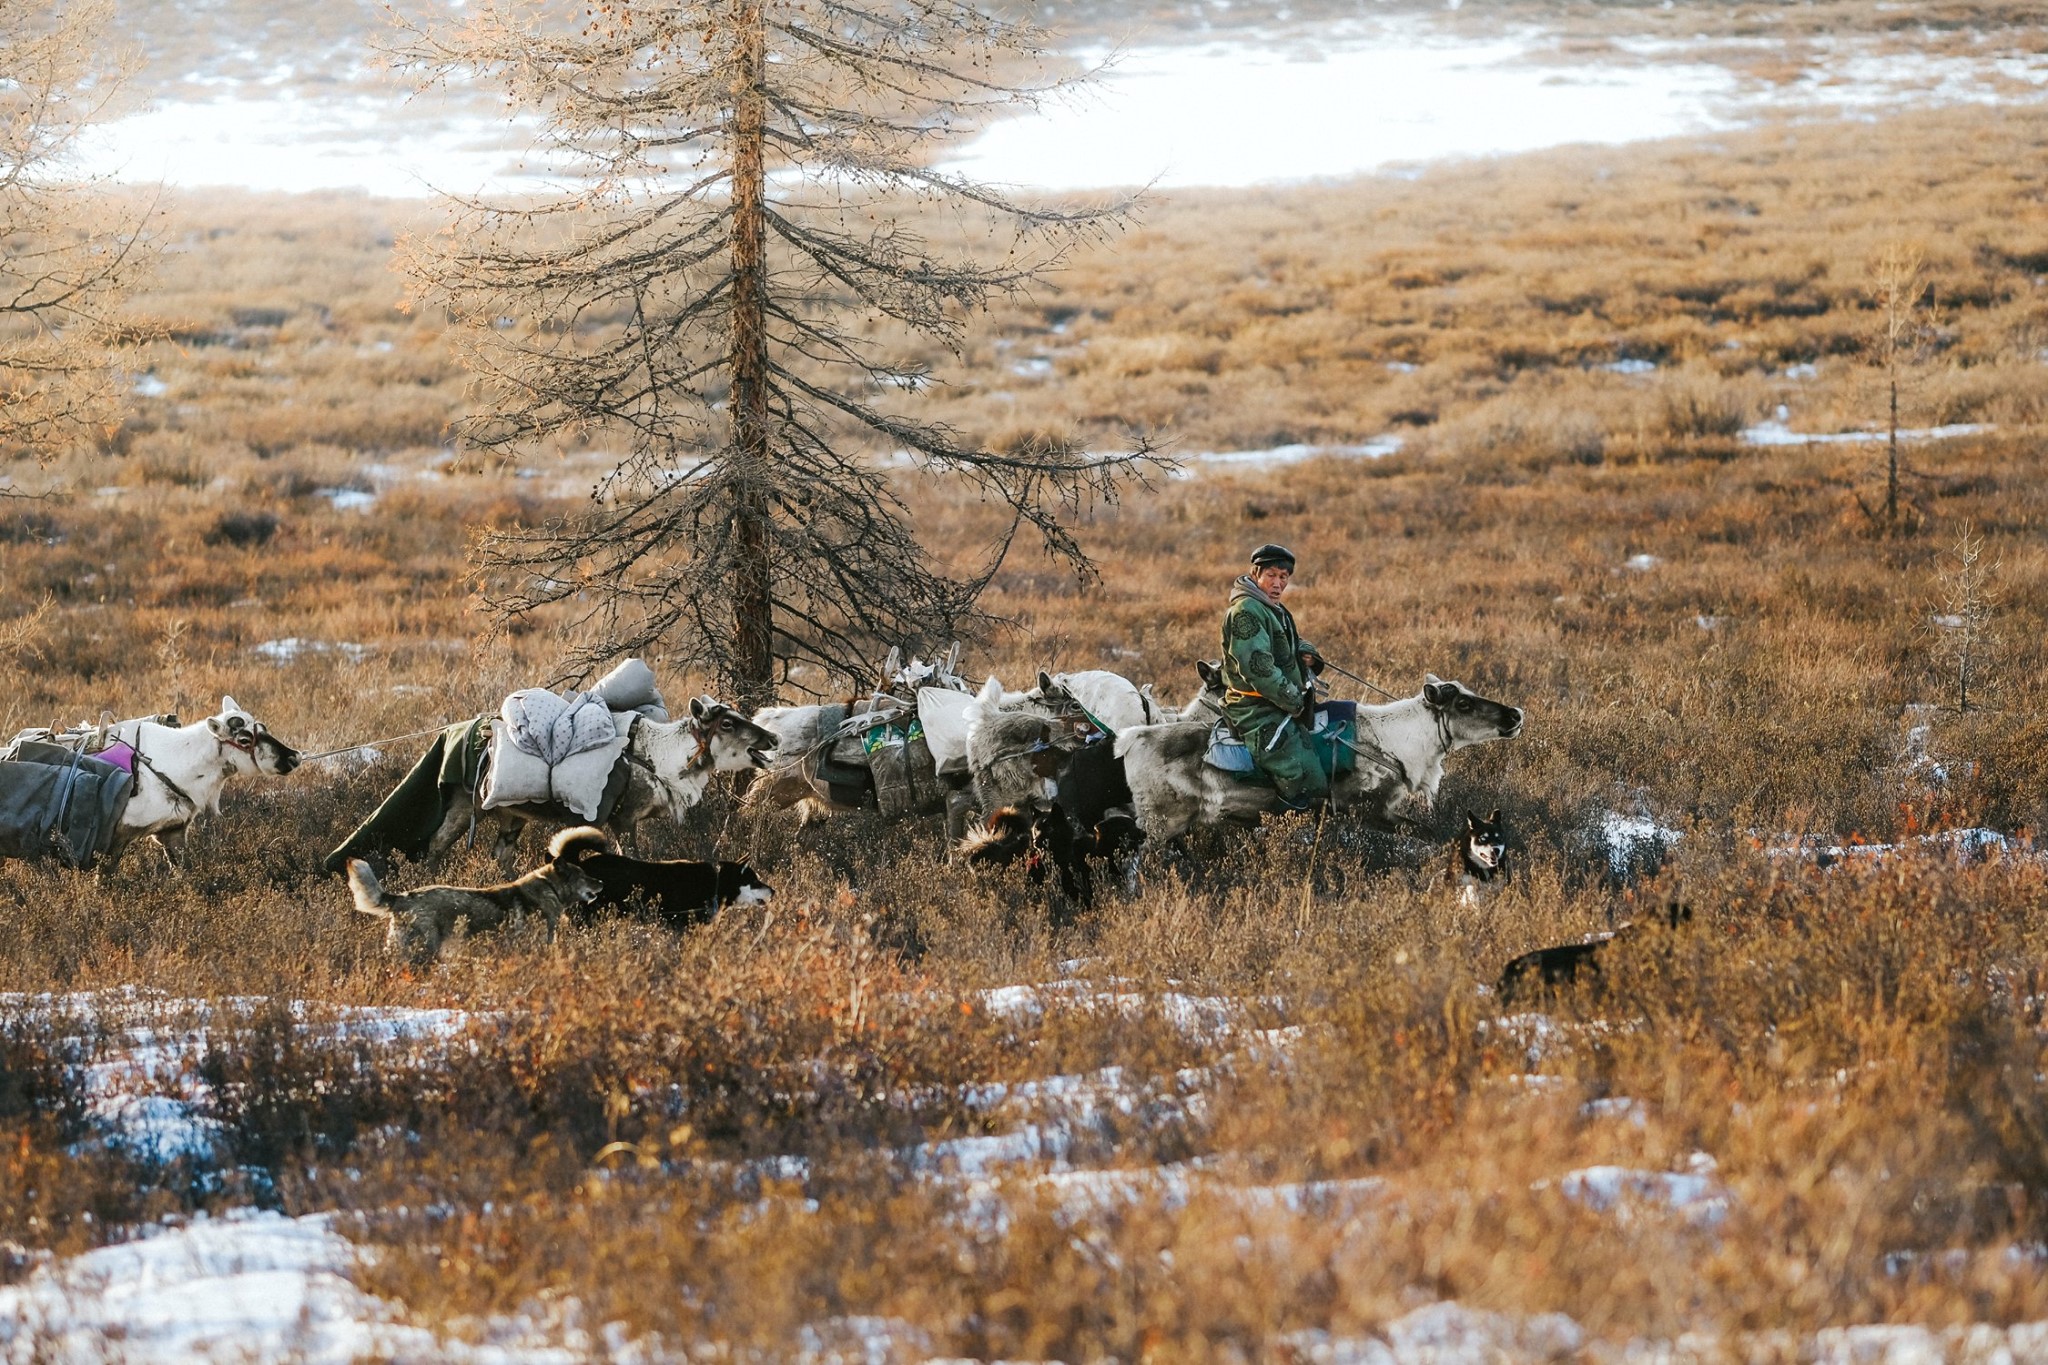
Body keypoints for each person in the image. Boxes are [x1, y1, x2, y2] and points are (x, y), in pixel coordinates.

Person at [1220, 543, 1329, 809]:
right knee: (1298, 770)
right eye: (1271, 575)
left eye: (1284, 577)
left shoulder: (1270, 607)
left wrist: (1307, 654)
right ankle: (1279, 828)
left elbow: (1288, 643)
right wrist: (1296, 702)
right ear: (1256, 573)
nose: (1278, 583)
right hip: (1254, 709)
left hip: (1276, 702)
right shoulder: (1246, 610)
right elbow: (1258, 669)